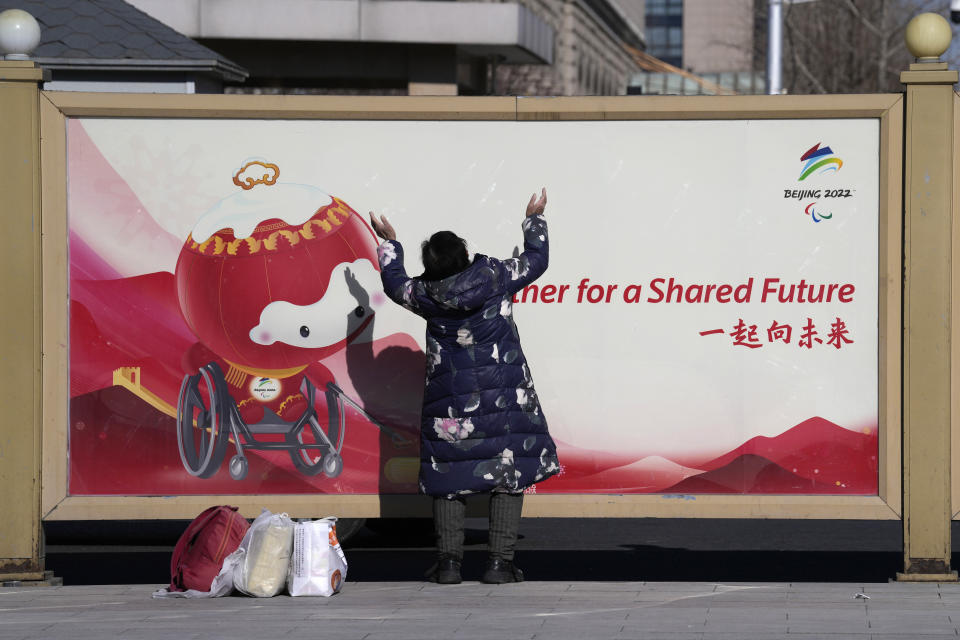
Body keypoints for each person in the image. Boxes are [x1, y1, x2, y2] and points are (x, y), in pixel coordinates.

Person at [369, 188, 559, 584]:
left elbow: (393, 283)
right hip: (505, 395)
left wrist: (389, 244)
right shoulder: (496, 276)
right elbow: (537, 260)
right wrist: (533, 219)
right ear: (465, 253)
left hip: (450, 405)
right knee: (507, 478)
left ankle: (449, 565)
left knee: (447, 479)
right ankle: (499, 565)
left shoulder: (423, 294)